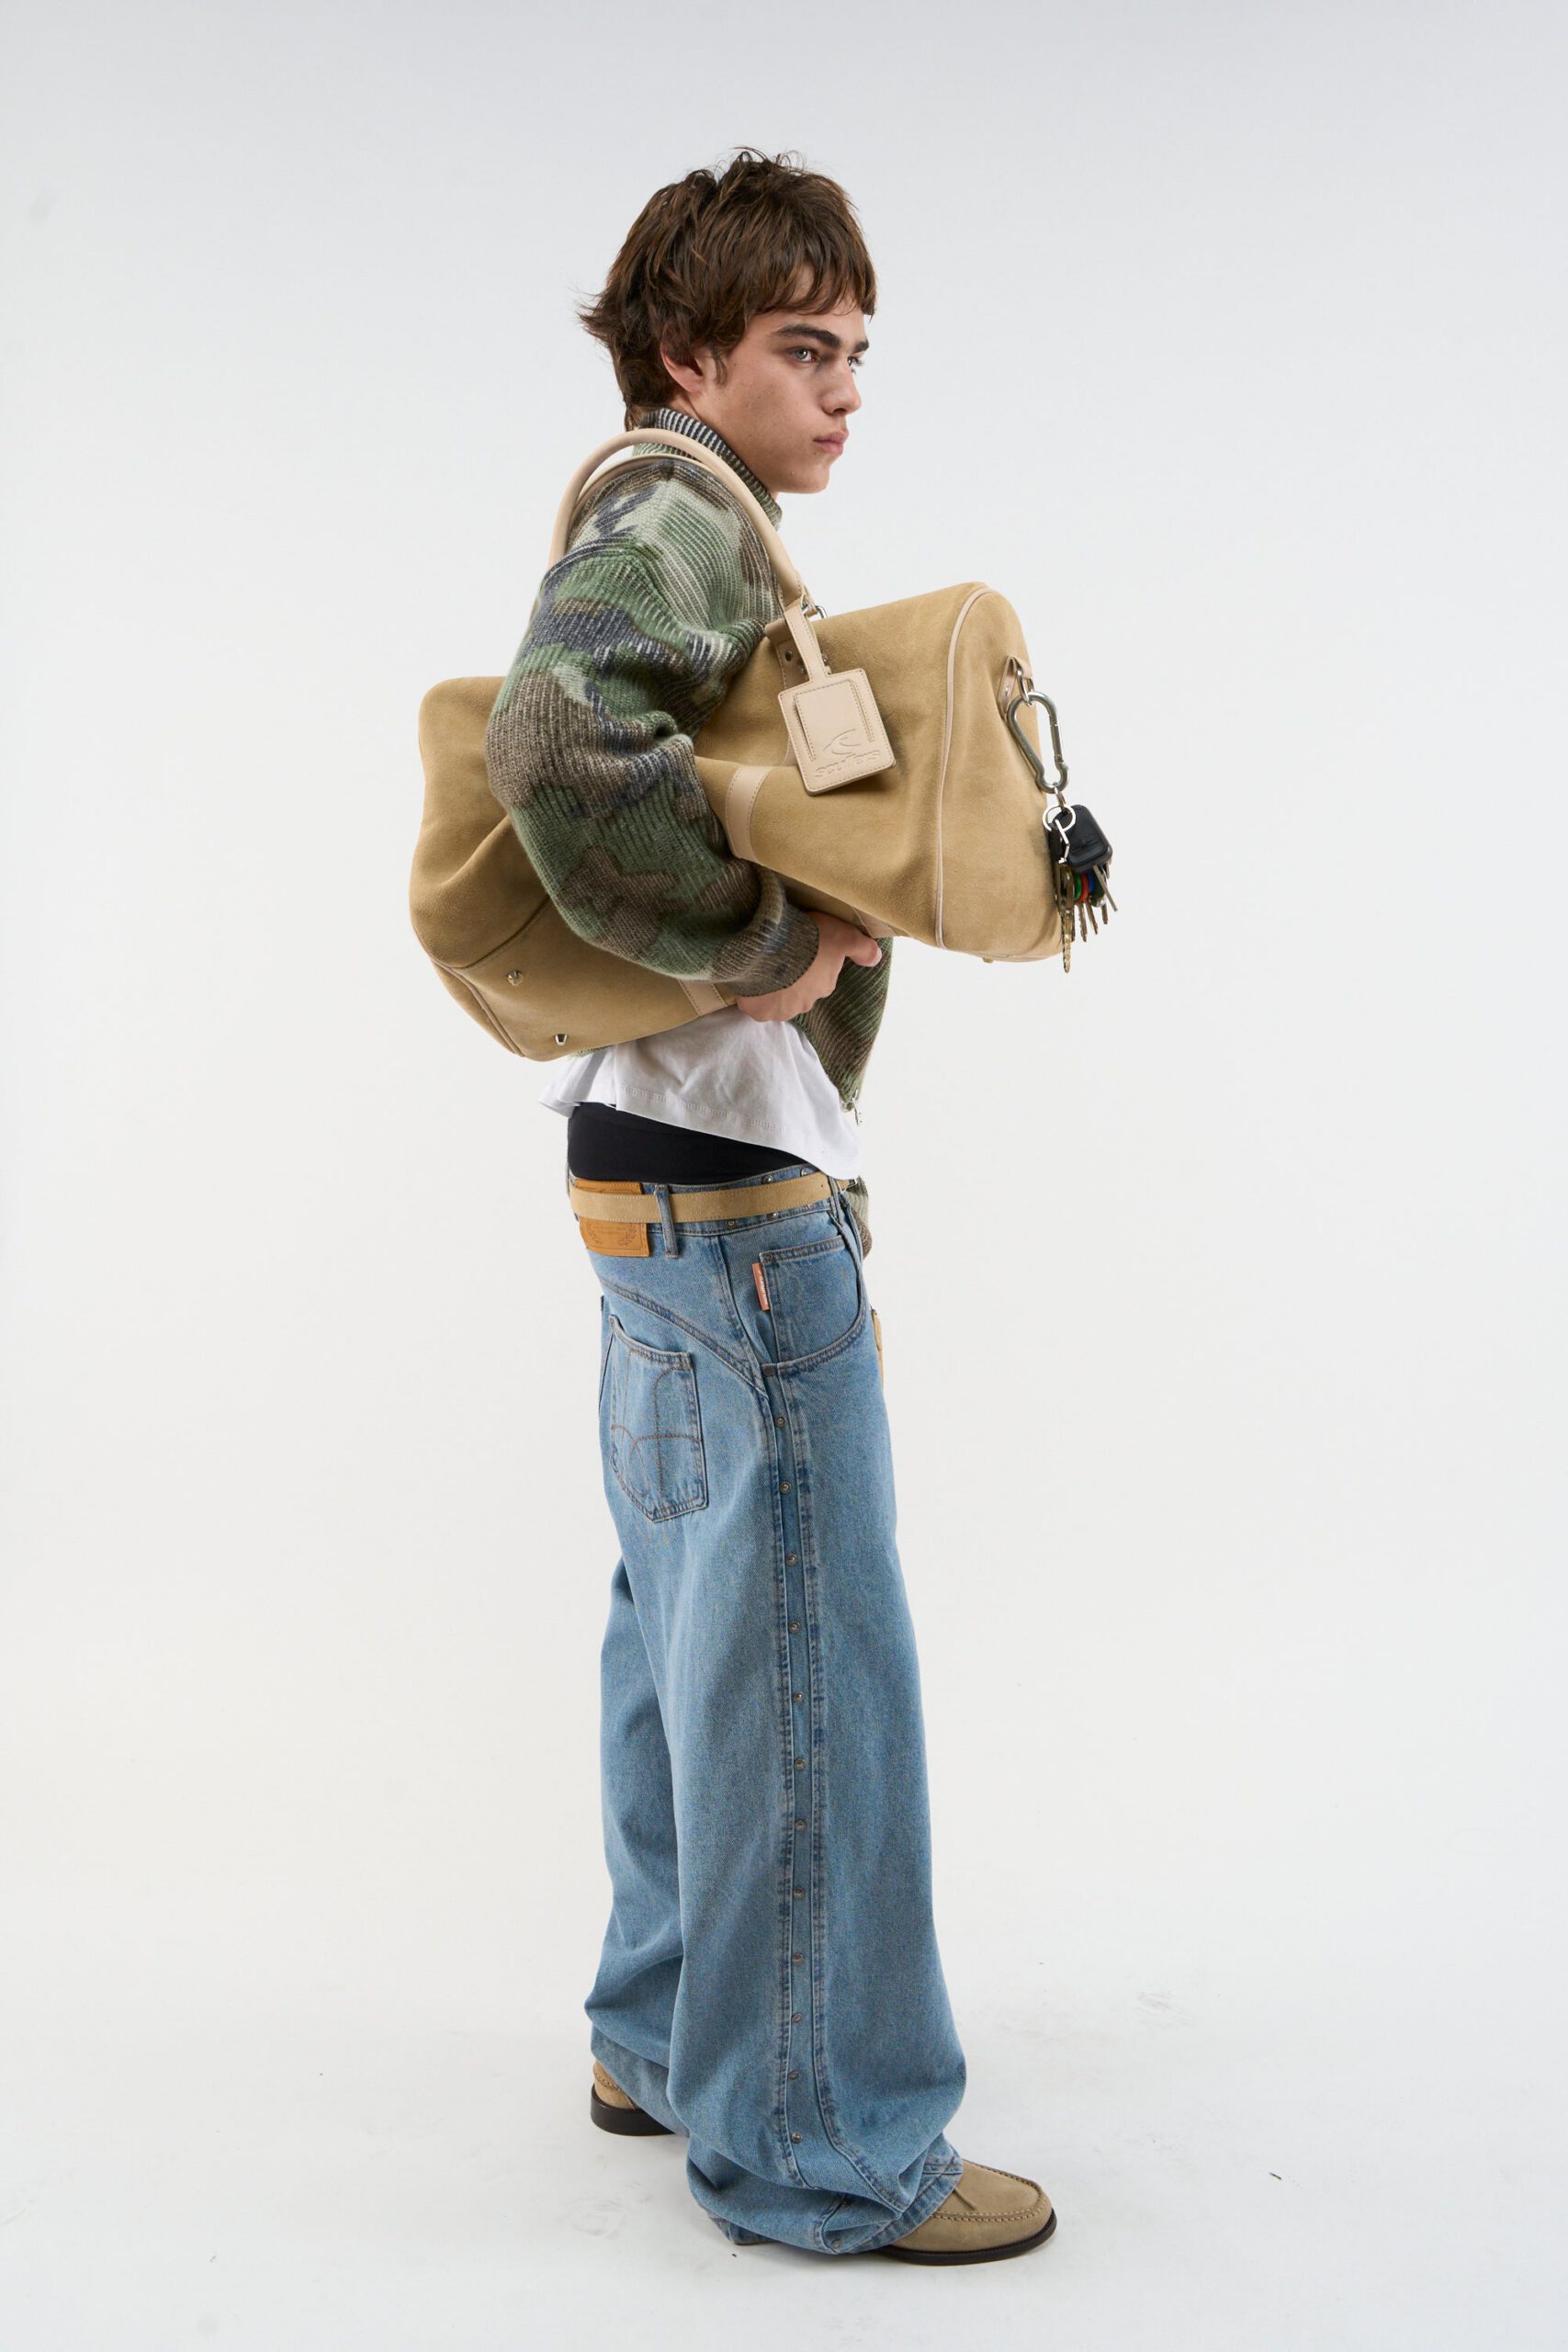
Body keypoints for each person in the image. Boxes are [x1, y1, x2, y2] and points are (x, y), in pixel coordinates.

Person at [484, 146, 1056, 2265]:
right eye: (802, 346)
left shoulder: (670, 513)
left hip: (650, 1183)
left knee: (690, 1630)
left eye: (855, 351)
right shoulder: (677, 516)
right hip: (732, 1206)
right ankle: (817, 2134)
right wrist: (756, 944)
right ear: (683, 353)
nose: (841, 389)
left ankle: (661, 2029)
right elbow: (557, 743)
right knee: (811, 1657)